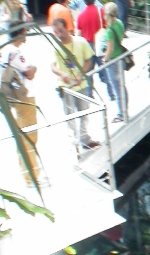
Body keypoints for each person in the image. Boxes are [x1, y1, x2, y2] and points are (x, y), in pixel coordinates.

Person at [0, 21, 41, 184]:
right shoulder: (15, 52)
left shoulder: (5, 50)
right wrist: (35, 67)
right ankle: (31, 175)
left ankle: (27, 170)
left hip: (13, 97)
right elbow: (29, 72)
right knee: (30, 135)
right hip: (25, 97)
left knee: (22, 133)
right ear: (21, 32)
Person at [50, 17, 99, 150]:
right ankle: (74, 144)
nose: (59, 34)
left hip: (81, 85)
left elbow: (89, 60)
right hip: (66, 87)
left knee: (84, 113)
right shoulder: (56, 46)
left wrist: (80, 74)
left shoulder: (80, 41)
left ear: (67, 28)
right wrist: (62, 74)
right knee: (70, 116)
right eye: (56, 32)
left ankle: (84, 139)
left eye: (61, 30)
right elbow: (52, 66)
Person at [102, 2, 128, 123]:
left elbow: (110, 49)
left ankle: (121, 114)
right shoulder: (119, 23)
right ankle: (124, 110)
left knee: (117, 88)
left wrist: (104, 59)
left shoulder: (109, 31)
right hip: (120, 58)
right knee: (121, 86)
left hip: (113, 61)